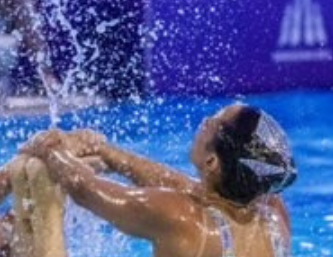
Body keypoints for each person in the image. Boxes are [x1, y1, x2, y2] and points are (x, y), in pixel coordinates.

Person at [23, 103, 295, 257]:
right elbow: (189, 188)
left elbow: (83, 188)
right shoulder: (275, 214)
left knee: (39, 173)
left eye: (210, 123)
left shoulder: (184, 220)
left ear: (212, 162)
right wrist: (109, 153)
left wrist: (49, 146)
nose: (204, 122)